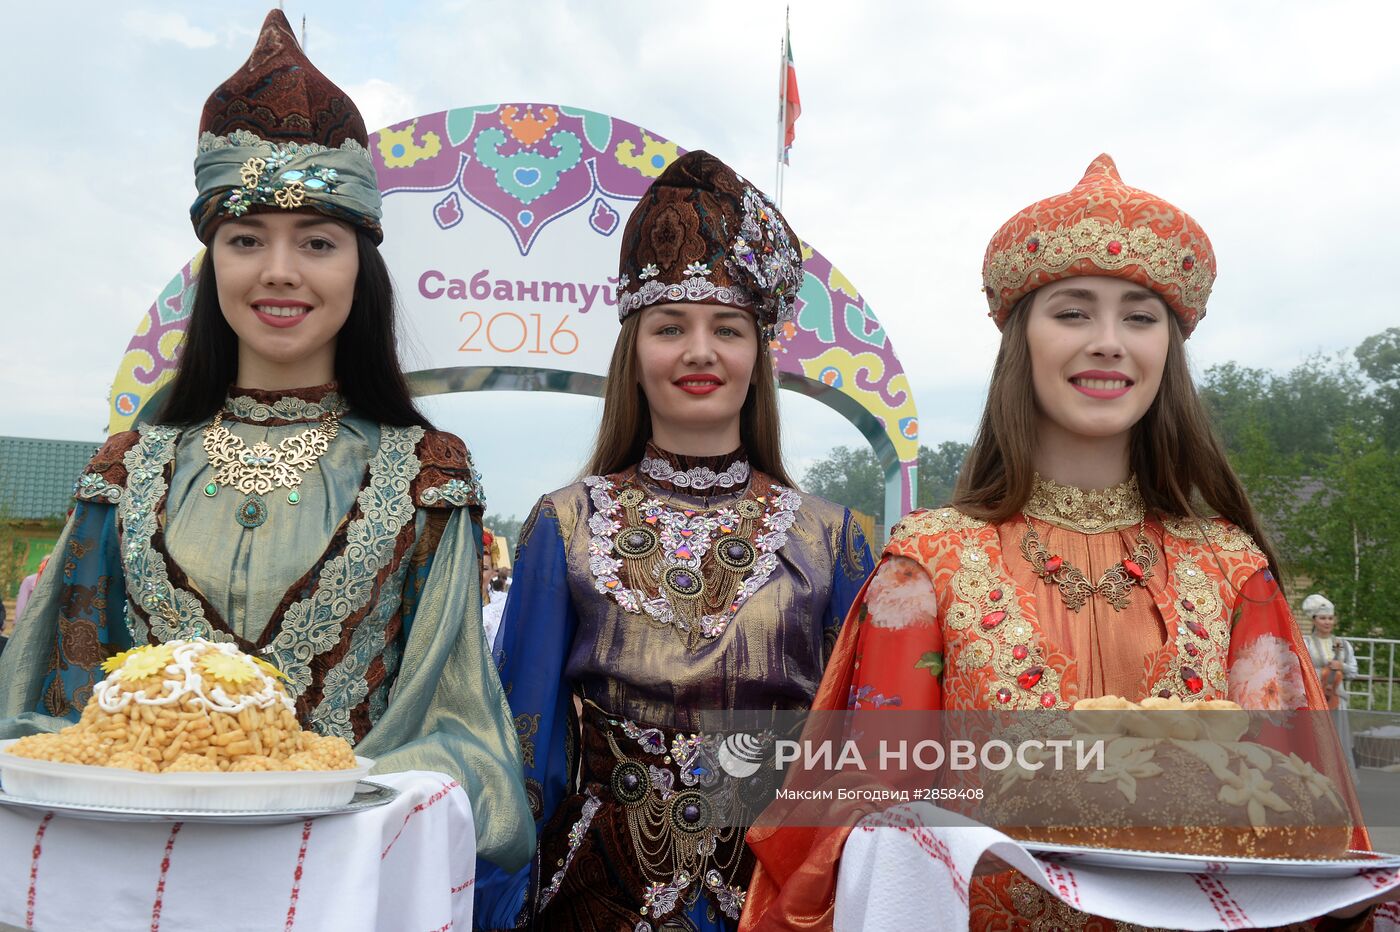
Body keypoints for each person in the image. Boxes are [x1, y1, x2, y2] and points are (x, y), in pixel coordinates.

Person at [741, 154, 1366, 930]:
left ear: (1168, 348)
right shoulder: (929, 567)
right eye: (1072, 312)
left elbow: (1305, 819)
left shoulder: (1233, 571)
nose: (1108, 342)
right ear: (1021, 340)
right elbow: (873, 824)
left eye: (1139, 317)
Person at [0, 10, 533, 872]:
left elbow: (458, 732)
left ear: (361, 269)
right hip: (128, 879)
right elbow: (44, 711)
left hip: (340, 885)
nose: (279, 270)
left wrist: (313, 791)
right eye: (246, 240)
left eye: (317, 242)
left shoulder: (426, 479)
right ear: (214, 266)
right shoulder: (126, 473)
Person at [473, 151, 875, 931]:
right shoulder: (565, 523)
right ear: (634, 353)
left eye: (727, 328)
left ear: (758, 356)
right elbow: (523, 744)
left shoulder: (834, 537)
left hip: (778, 893)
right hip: (597, 891)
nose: (699, 351)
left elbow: (862, 748)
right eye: (670, 327)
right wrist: (499, 904)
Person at [1304, 593, 1358, 768]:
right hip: (1313, 696)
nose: (1327, 622)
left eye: (1330, 618)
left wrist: (1341, 665)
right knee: (1314, 737)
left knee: (1337, 739)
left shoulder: (1343, 644)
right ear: (1314, 620)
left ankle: (1339, 778)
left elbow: (1353, 671)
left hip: (1336, 699)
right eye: (1322, 618)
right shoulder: (1306, 643)